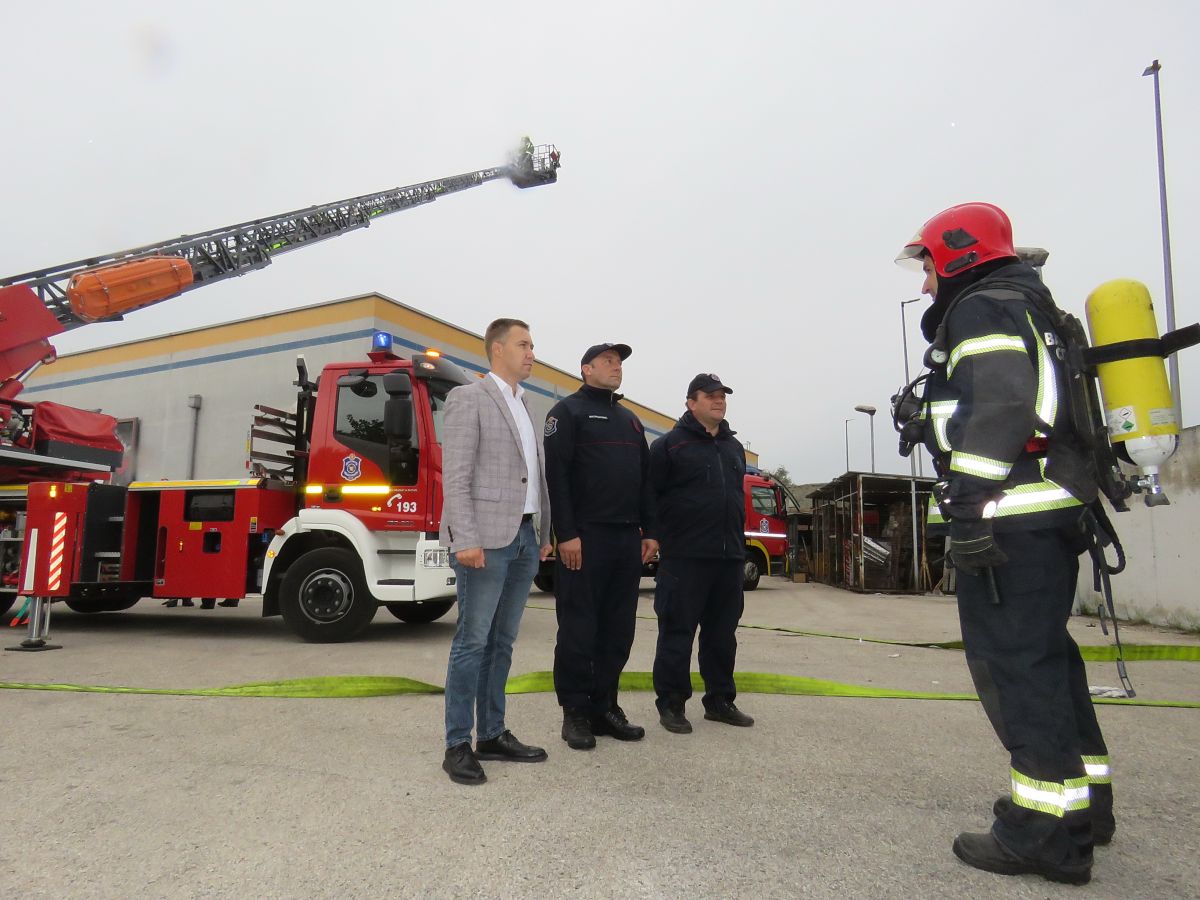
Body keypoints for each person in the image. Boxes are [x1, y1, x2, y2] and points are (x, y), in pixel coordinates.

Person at [895, 202, 1113, 885]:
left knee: (1017, 668)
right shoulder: (1031, 308)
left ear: (955, 255)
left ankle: (1042, 835)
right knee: (1048, 661)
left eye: (927, 266)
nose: (925, 284)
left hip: (1009, 518)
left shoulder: (980, 308)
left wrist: (965, 508)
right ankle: (1087, 809)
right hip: (1050, 511)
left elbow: (1001, 406)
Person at [439, 317, 554, 786]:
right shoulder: (469, 397)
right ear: (497, 349)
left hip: (524, 537)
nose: (531, 352)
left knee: (502, 643)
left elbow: (533, 477)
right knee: (472, 641)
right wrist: (464, 538)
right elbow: (458, 475)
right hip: (484, 540)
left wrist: (544, 532)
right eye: (524, 344)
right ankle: (457, 743)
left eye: (533, 345)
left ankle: (492, 732)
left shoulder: (526, 405)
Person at [543, 342, 658, 750]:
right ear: (586, 369)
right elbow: (557, 478)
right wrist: (566, 533)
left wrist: (650, 532)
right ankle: (574, 712)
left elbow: (646, 481)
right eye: (608, 361)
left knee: (618, 629)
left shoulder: (630, 421)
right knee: (578, 628)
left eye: (620, 362)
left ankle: (605, 707)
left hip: (626, 540)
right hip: (585, 539)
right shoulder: (566, 413)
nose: (616, 367)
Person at [648, 373, 754, 734]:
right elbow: (650, 498)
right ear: (691, 403)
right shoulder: (669, 446)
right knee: (677, 633)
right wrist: (654, 537)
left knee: (722, 635)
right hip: (685, 558)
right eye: (710, 396)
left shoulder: (733, 448)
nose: (719, 401)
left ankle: (720, 701)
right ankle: (672, 704)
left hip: (728, 559)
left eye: (722, 395)